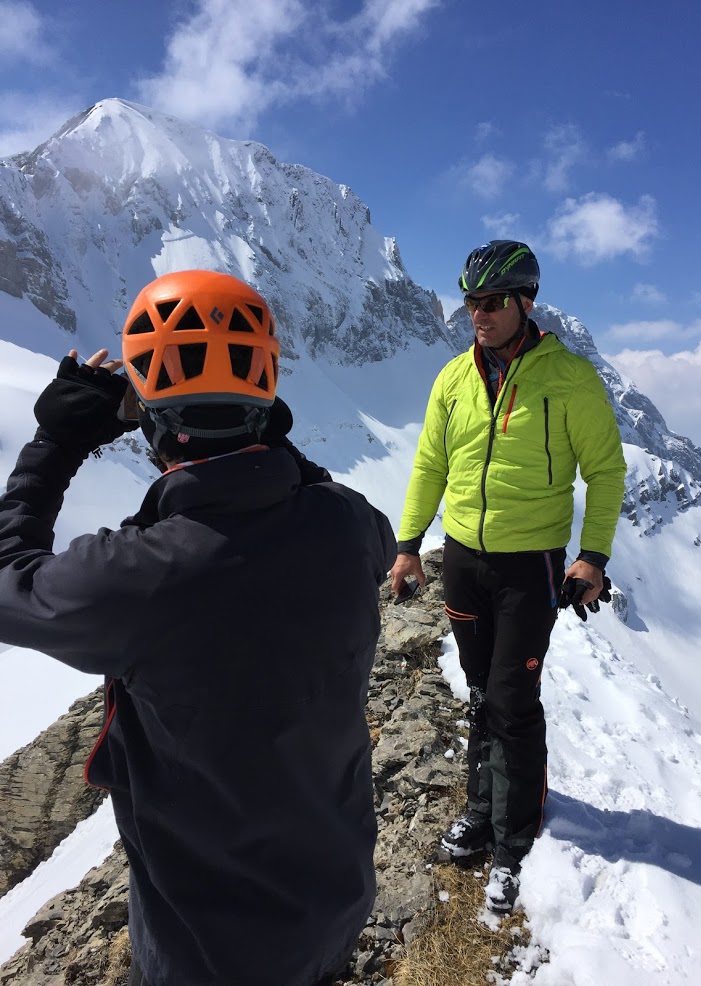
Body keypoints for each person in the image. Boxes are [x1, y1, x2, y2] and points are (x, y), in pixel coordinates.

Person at [0, 270, 396, 986]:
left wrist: (58, 442)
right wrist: (271, 448)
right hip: (335, 897)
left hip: (206, 949)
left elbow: (8, 583)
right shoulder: (351, 527)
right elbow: (352, 514)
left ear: (151, 421)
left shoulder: (136, 575)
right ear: (269, 401)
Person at [390, 240, 626, 912]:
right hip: (463, 558)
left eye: (493, 301)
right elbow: (429, 466)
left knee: (512, 701)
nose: (479, 313)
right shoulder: (452, 379)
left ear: (526, 302)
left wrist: (594, 556)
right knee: (478, 691)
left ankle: (514, 840)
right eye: (471, 301)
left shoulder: (569, 378)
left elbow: (606, 472)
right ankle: (480, 810)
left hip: (532, 564)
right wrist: (409, 543)